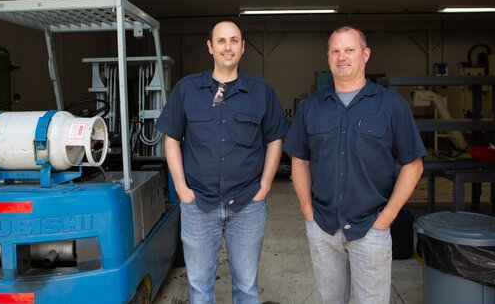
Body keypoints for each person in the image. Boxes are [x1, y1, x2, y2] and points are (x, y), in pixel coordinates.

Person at [283, 26, 426, 304]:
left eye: (349, 50)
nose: (342, 57)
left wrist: (387, 218)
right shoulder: (312, 107)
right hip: (323, 227)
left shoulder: (391, 106)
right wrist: (307, 210)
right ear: (328, 57)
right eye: (335, 51)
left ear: (365, 54)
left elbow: (414, 164)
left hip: (371, 228)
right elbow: (299, 158)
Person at [156, 20, 289, 304]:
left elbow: (275, 138)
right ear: (210, 47)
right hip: (199, 204)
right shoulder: (187, 90)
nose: (227, 47)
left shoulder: (260, 92)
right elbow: (171, 139)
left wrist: (265, 184)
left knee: (247, 287)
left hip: (247, 204)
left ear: (242, 47)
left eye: (234, 41)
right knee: (200, 289)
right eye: (221, 41)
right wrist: (181, 187)